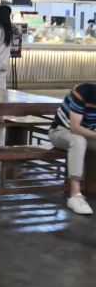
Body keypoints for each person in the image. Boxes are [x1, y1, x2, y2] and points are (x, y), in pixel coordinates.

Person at [49, 84, 96, 215]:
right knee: (78, 141)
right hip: (60, 132)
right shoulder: (82, 93)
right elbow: (75, 128)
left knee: (81, 140)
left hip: (88, 134)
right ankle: (75, 195)